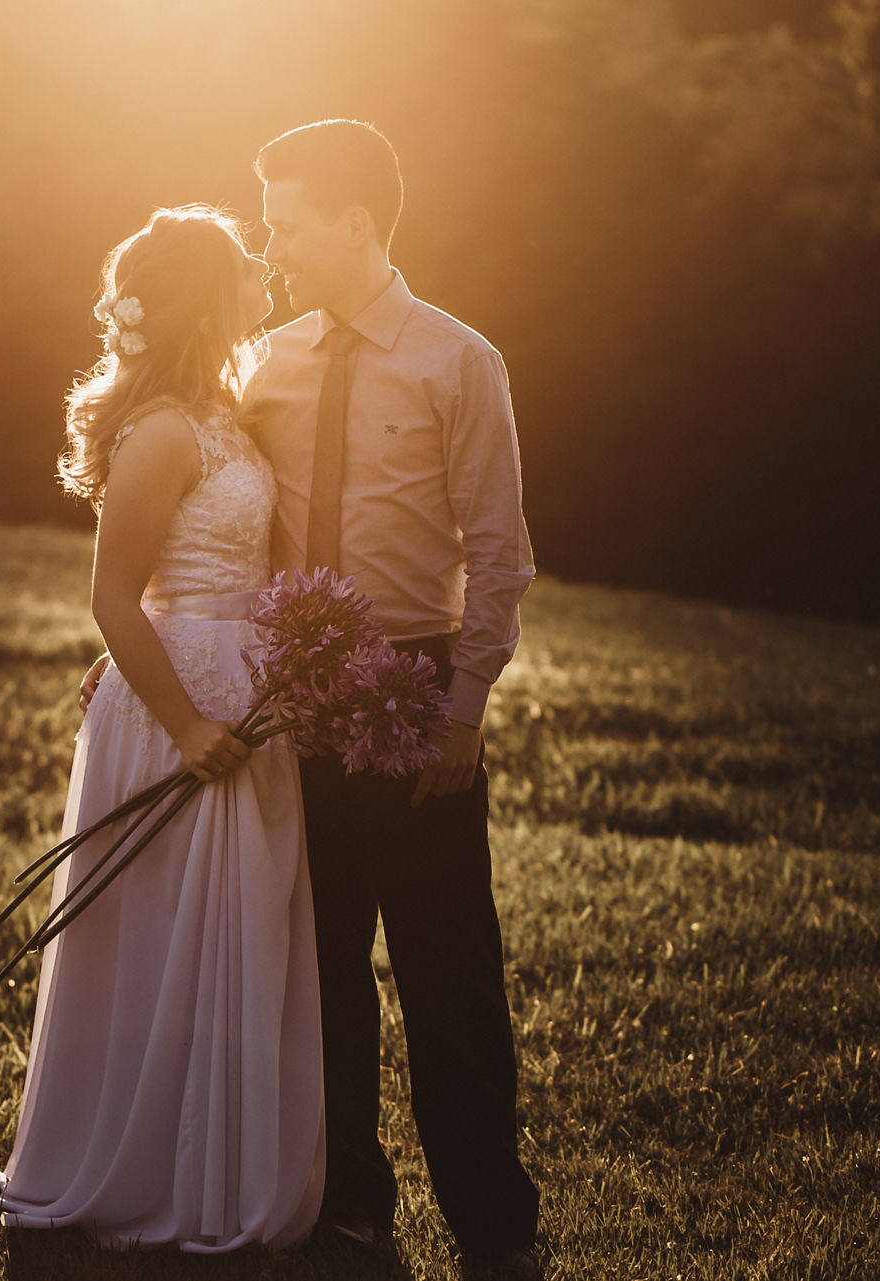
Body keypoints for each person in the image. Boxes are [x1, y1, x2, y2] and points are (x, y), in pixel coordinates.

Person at [82, 120, 544, 1279]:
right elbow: (209, 519)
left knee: (446, 960)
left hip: (421, 683)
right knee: (320, 957)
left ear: (356, 223)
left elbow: (501, 555)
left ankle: (496, 1228)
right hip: (295, 693)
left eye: (289, 224)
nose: (274, 249)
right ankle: (351, 1205)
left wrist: (466, 707)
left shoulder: (459, 361)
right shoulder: (266, 363)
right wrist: (170, 643)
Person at [0, 205, 326, 1251]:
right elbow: (114, 597)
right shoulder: (163, 428)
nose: (263, 274)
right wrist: (182, 724)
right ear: (207, 298)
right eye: (243, 268)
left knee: (237, 932)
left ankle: (218, 1161)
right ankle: (137, 1167)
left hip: (244, 696)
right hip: (184, 714)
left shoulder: (222, 415)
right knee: (159, 937)